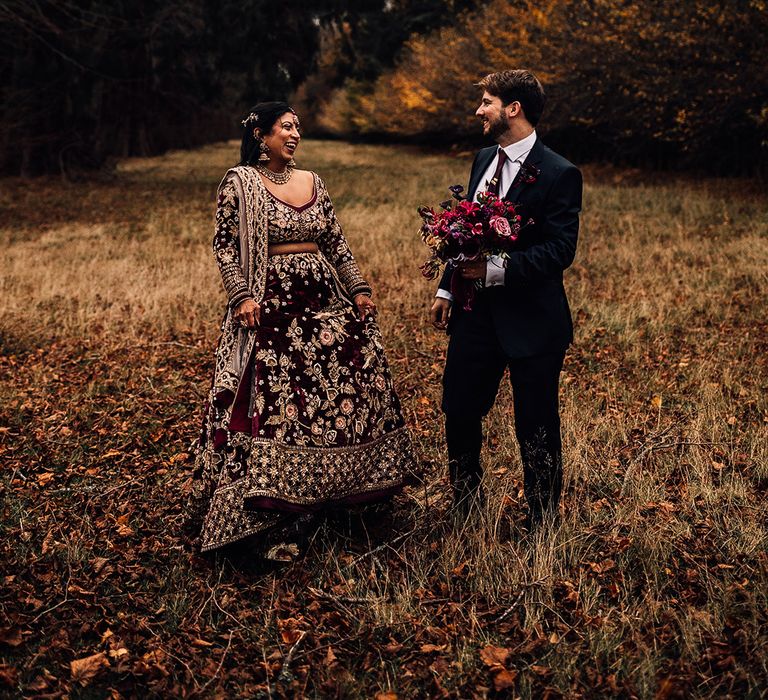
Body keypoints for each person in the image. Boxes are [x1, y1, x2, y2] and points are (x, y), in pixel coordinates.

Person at [187, 101, 417, 554]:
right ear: (261, 135)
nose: (294, 135)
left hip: (322, 301)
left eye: (298, 128)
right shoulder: (240, 183)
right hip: (268, 306)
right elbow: (225, 247)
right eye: (286, 128)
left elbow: (335, 241)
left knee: (344, 384)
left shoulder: (315, 182)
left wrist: (358, 288)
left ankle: (340, 492)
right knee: (275, 399)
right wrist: (242, 296)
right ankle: (273, 510)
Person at [429, 70, 582, 531]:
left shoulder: (559, 172)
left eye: (487, 101)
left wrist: (496, 271)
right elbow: (464, 235)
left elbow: (560, 250)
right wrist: (446, 285)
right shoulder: (481, 159)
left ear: (513, 108)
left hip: (532, 320)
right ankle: (467, 504)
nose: (479, 109)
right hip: (474, 313)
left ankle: (541, 521)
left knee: (535, 424)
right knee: (458, 408)